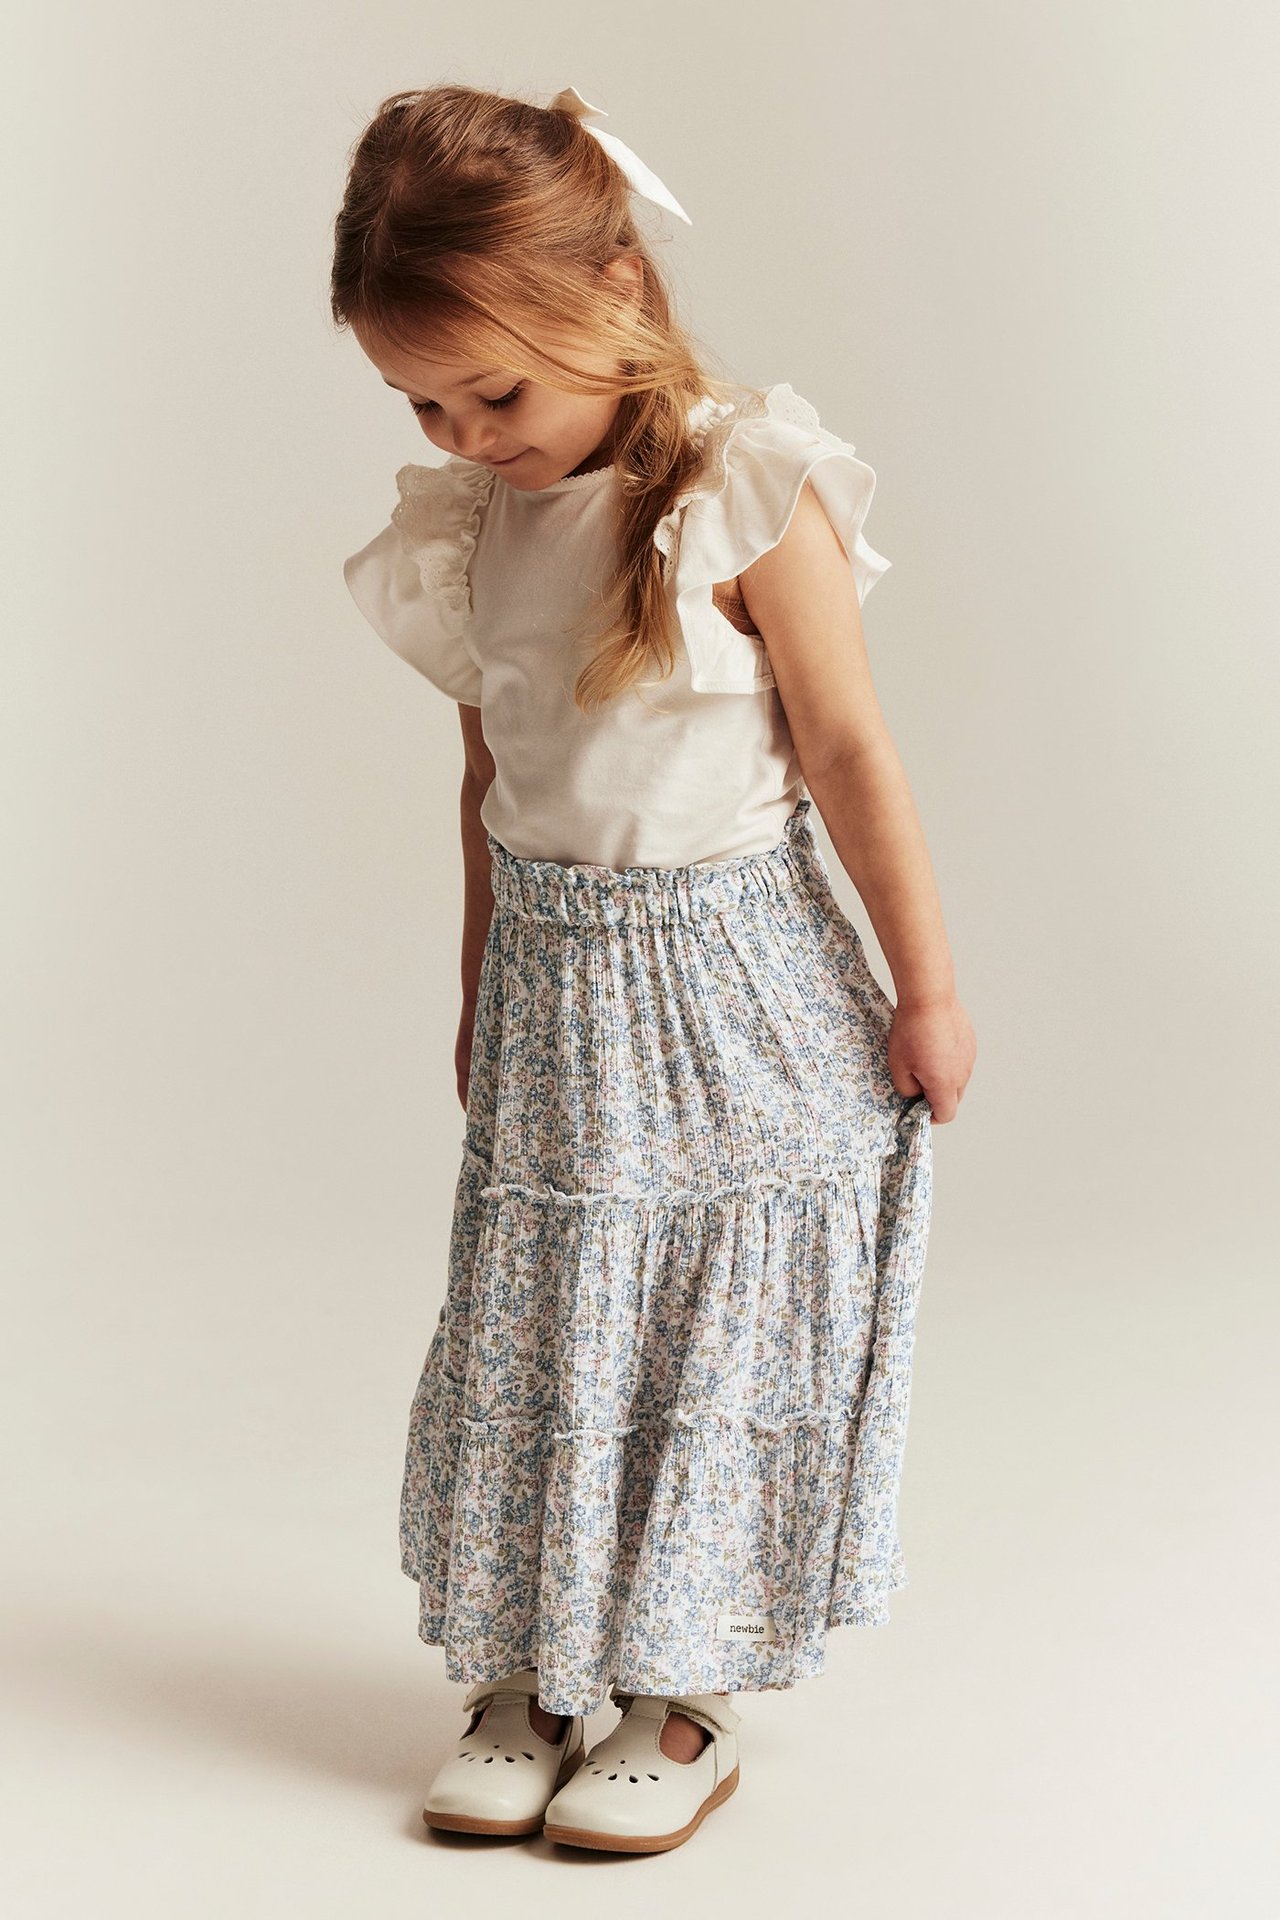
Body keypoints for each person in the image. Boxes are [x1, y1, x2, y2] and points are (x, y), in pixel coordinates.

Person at [331, 81, 976, 1856]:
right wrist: (479, 988)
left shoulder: (745, 492)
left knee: (712, 1321)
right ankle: (541, 1666)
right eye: (424, 401)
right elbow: (488, 783)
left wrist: (927, 987)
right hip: (557, 985)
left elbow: (852, 755)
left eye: (497, 392)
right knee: (548, 1316)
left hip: (732, 989)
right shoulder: (473, 530)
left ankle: (677, 1694)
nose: (466, 433)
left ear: (611, 292)